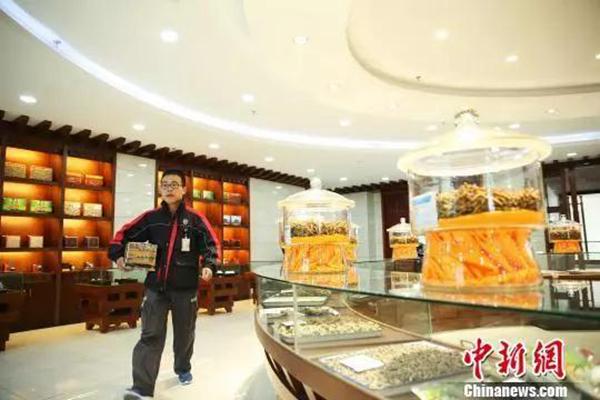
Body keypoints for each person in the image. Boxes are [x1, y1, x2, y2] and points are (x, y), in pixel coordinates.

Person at [109, 168, 220, 400]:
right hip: (155, 288)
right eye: (165, 184)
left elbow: (212, 244)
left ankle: (183, 367)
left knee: (185, 334)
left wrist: (210, 265)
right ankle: (142, 388)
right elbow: (122, 236)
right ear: (160, 188)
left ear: (184, 189)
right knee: (150, 335)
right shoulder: (151, 218)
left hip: (186, 289)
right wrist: (118, 256)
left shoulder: (195, 219)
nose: (169, 189)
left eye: (174, 184)